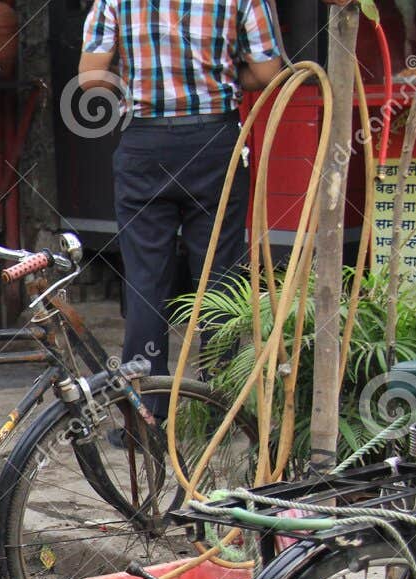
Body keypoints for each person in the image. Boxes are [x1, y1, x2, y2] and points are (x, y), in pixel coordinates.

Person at [79, 0, 284, 377]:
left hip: (144, 146)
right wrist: (222, 78)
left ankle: (148, 415)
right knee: (218, 276)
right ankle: (218, 405)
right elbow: (269, 70)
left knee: (145, 282)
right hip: (213, 141)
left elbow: (91, 78)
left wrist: (137, 79)